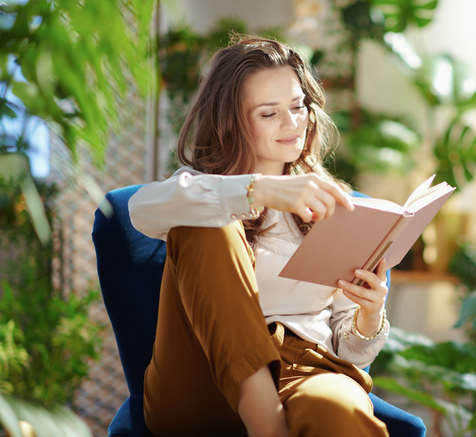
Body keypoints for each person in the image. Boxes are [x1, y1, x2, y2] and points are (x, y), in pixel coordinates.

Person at [128, 35, 392, 437]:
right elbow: (139, 209)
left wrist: (368, 315)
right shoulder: (203, 190)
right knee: (206, 220)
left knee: (338, 410)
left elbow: (348, 350)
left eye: (298, 106)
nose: (292, 124)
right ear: (232, 121)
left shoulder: (329, 204)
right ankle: (264, 420)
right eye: (269, 114)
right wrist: (258, 190)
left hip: (305, 367)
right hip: (201, 378)